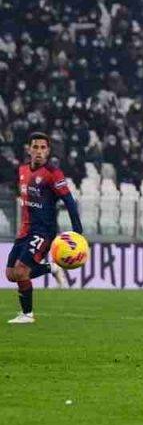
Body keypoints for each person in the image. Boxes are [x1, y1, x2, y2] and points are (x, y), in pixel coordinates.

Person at [6, 132, 83, 324]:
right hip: (24, 230)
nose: (39, 151)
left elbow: (69, 201)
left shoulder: (53, 173)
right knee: (11, 275)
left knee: (22, 271)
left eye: (43, 148)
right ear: (29, 149)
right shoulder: (22, 170)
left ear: (48, 151)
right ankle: (52, 268)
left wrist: (77, 230)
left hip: (43, 232)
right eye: (35, 147)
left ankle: (27, 314)